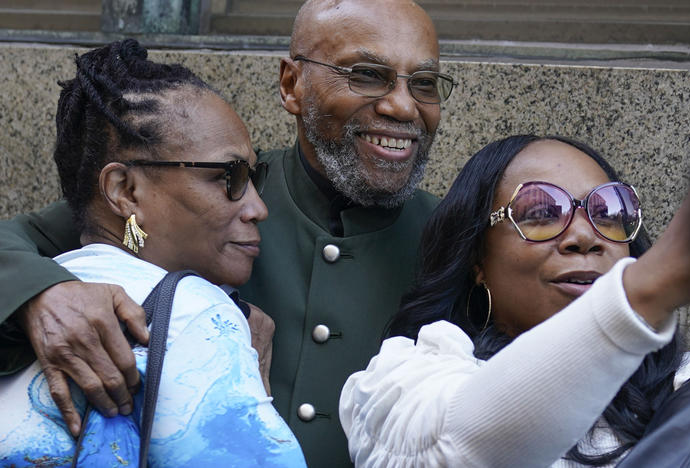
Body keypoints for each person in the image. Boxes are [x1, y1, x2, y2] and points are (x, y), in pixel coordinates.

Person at [0, 0, 454, 465]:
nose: (403, 105)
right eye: (366, 74)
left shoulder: (458, 240)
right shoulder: (214, 192)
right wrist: (45, 296)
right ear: (291, 84)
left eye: (424, 84)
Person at [0, 40, 305, 466]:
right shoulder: (195, 314)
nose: (258, 208)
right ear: (125, 191)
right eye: (228, 176)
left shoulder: (35, 291)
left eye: (255, 176)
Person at [339, 135, 690, 467]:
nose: (583, 237)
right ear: (477, 260)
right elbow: (452, 447)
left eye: (607, 211)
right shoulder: (403, 381)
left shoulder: (687, 383)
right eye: (541, 213)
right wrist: (642, 292)